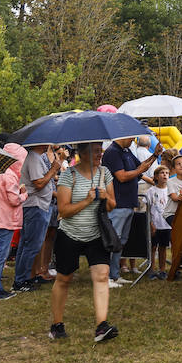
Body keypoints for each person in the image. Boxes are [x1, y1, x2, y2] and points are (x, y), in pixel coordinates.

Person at [48, 142, 118, 343]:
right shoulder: (69, 175)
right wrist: (86, 201)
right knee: (64, 279)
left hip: (97, 234)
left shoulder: (105, 173)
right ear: (83, 153)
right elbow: (63, 210)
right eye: (96, 151)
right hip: (69, 234)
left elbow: (113, 205)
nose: (100, 154)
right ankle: (57, 325)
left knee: (102, 276)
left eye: (100, 151)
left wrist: (105, 197)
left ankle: (101, 326)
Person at [102, 134, 157, 288]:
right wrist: (140, 169)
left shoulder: (126, 151)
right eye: (131, 138)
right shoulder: (113, 152)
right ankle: (105, 277)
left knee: (121, 241)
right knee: (113, 241)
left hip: (128, 203)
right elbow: (121, 176)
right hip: (118, 203)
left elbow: (140, 168)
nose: (133, 141)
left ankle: (114, 274)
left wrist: (155, 155)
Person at [0, 143, 28, 302]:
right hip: (6, 219)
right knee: (0, 255)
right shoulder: (10, 176)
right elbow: (14, 200)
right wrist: (24, 194)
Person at [16, 145, 63, 293]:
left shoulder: (36, 158)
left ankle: (26, 277)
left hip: (39, 205)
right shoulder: (34, 158)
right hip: (35, 206)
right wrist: (54, 169)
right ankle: (21, 280)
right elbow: (39, 183)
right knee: (31, 245)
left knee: (28, 244)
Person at [144, 165, 173, 280]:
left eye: (167, 173)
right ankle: (151, 269)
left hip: (166, 225)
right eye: (162, 173)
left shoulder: (170, 190)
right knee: (153, 247)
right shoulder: (151, 191)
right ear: (156, 176)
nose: (165, 175)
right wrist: (150, 223)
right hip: (155, 225)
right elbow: (147, 209)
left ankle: (162, 270)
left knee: (163, 247)